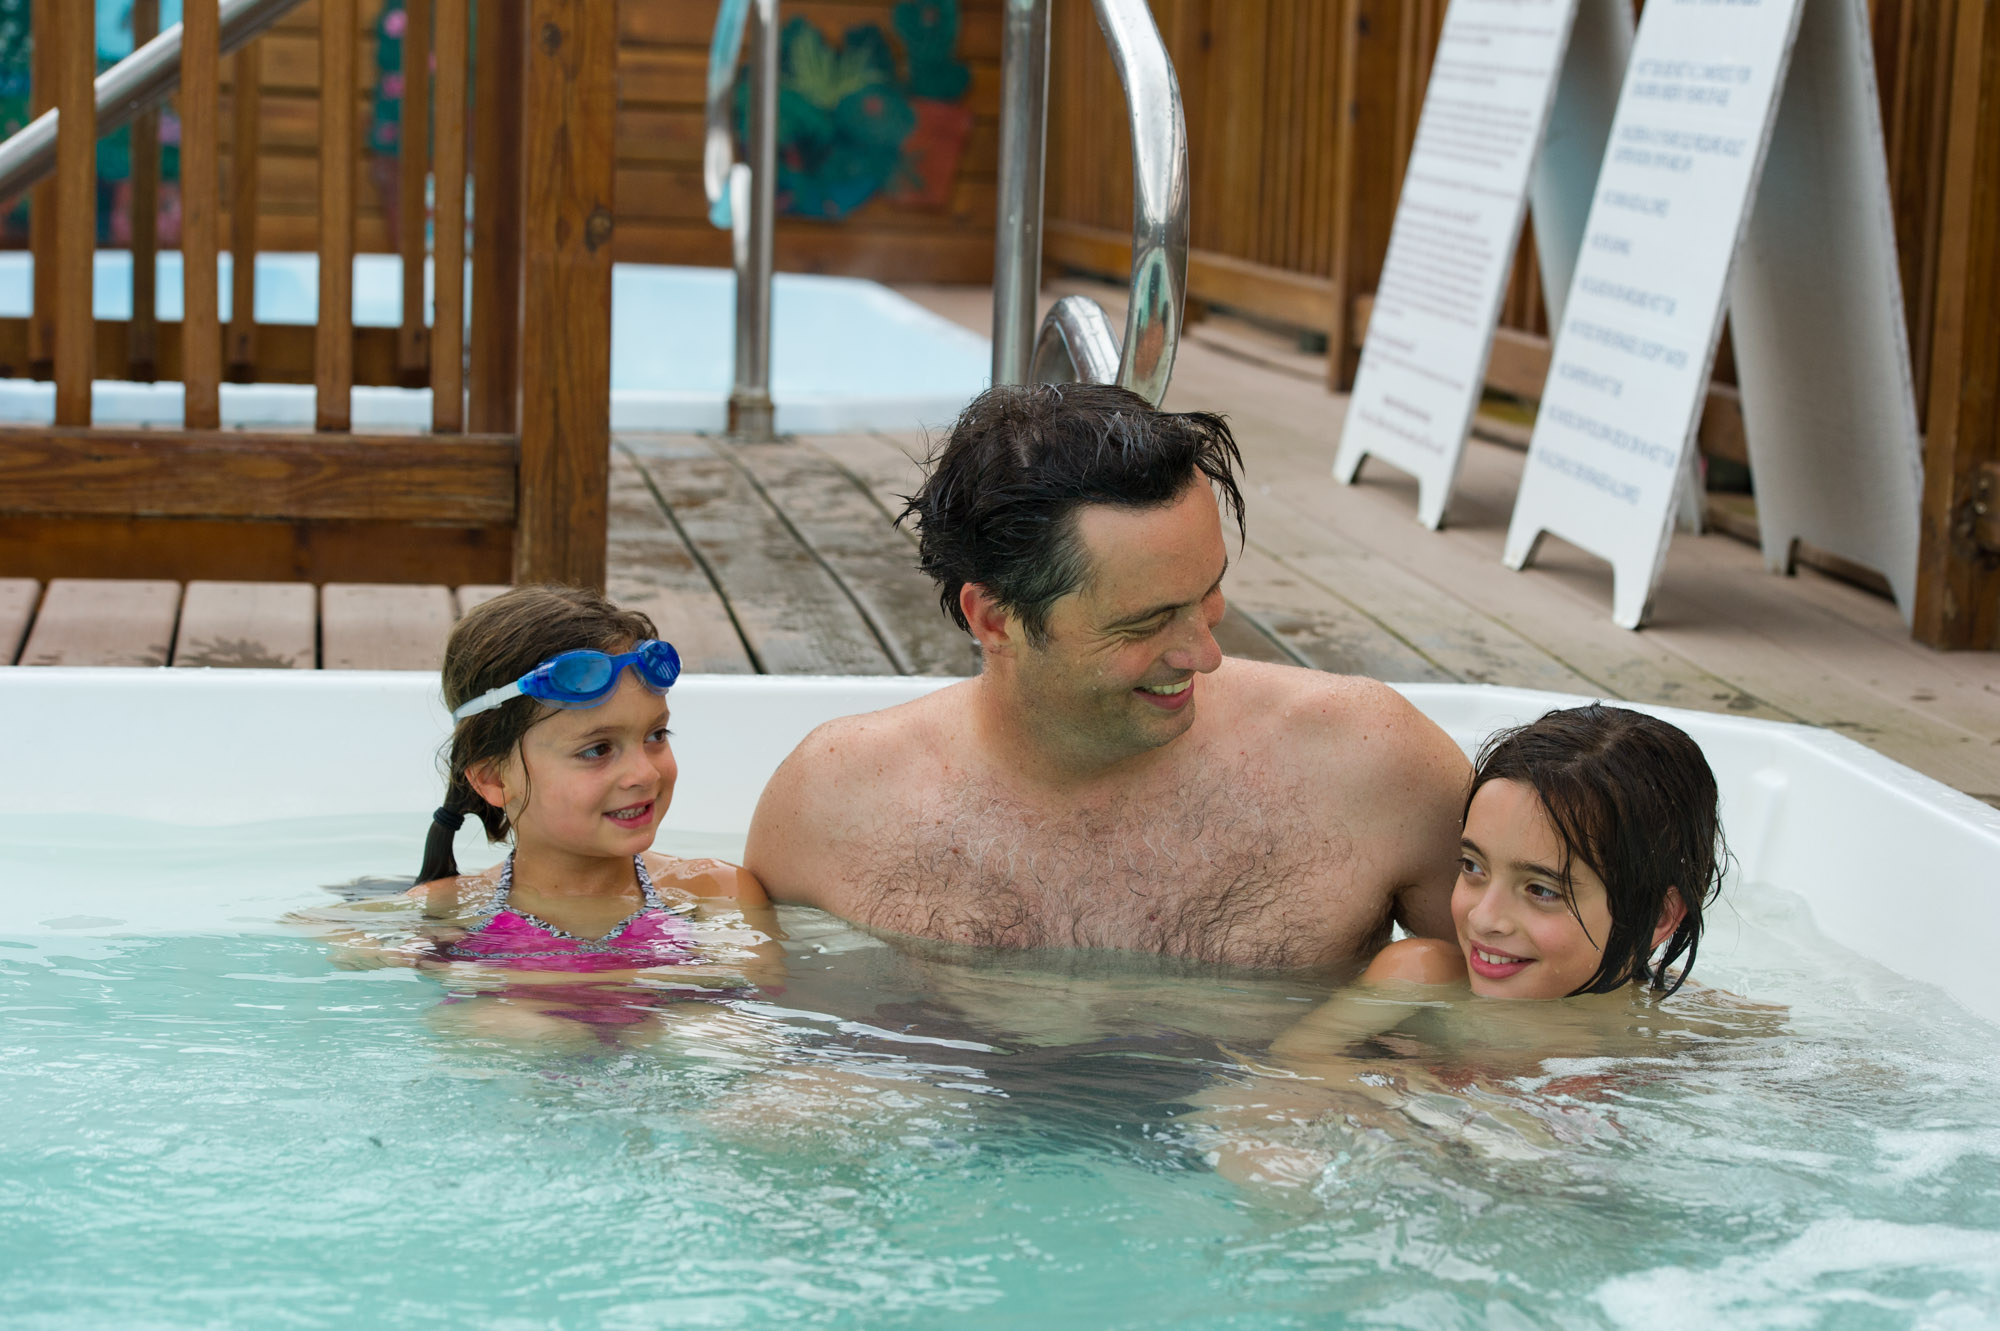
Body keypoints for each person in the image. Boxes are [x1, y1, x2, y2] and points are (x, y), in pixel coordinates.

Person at [745, 383, 1470, 969]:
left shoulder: (1370, 765)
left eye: (1208, 592)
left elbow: (1539, 1030)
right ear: (994, 620)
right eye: (1146, 620)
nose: (1204, 652)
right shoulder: (834, 802)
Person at [1195, 704, 1746, 1185]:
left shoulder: (1688, 1031)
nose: (1484, 918)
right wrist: (1420, 1102)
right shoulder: (1420, 977)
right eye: (1472, 866)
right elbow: (1297, 1058)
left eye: (1540, 890)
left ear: (1659, 916)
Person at [325, 585, 776, 1047]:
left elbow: (760, 991)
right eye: (596, 750)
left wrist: (484, 970)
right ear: (493, 780)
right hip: (521, 1089)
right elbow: (328, 934)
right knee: (494, 1022)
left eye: (656, 735)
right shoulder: (451, 907)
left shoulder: (710, 891)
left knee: (710, 1031)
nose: (643, 772)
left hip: (680, 1079)